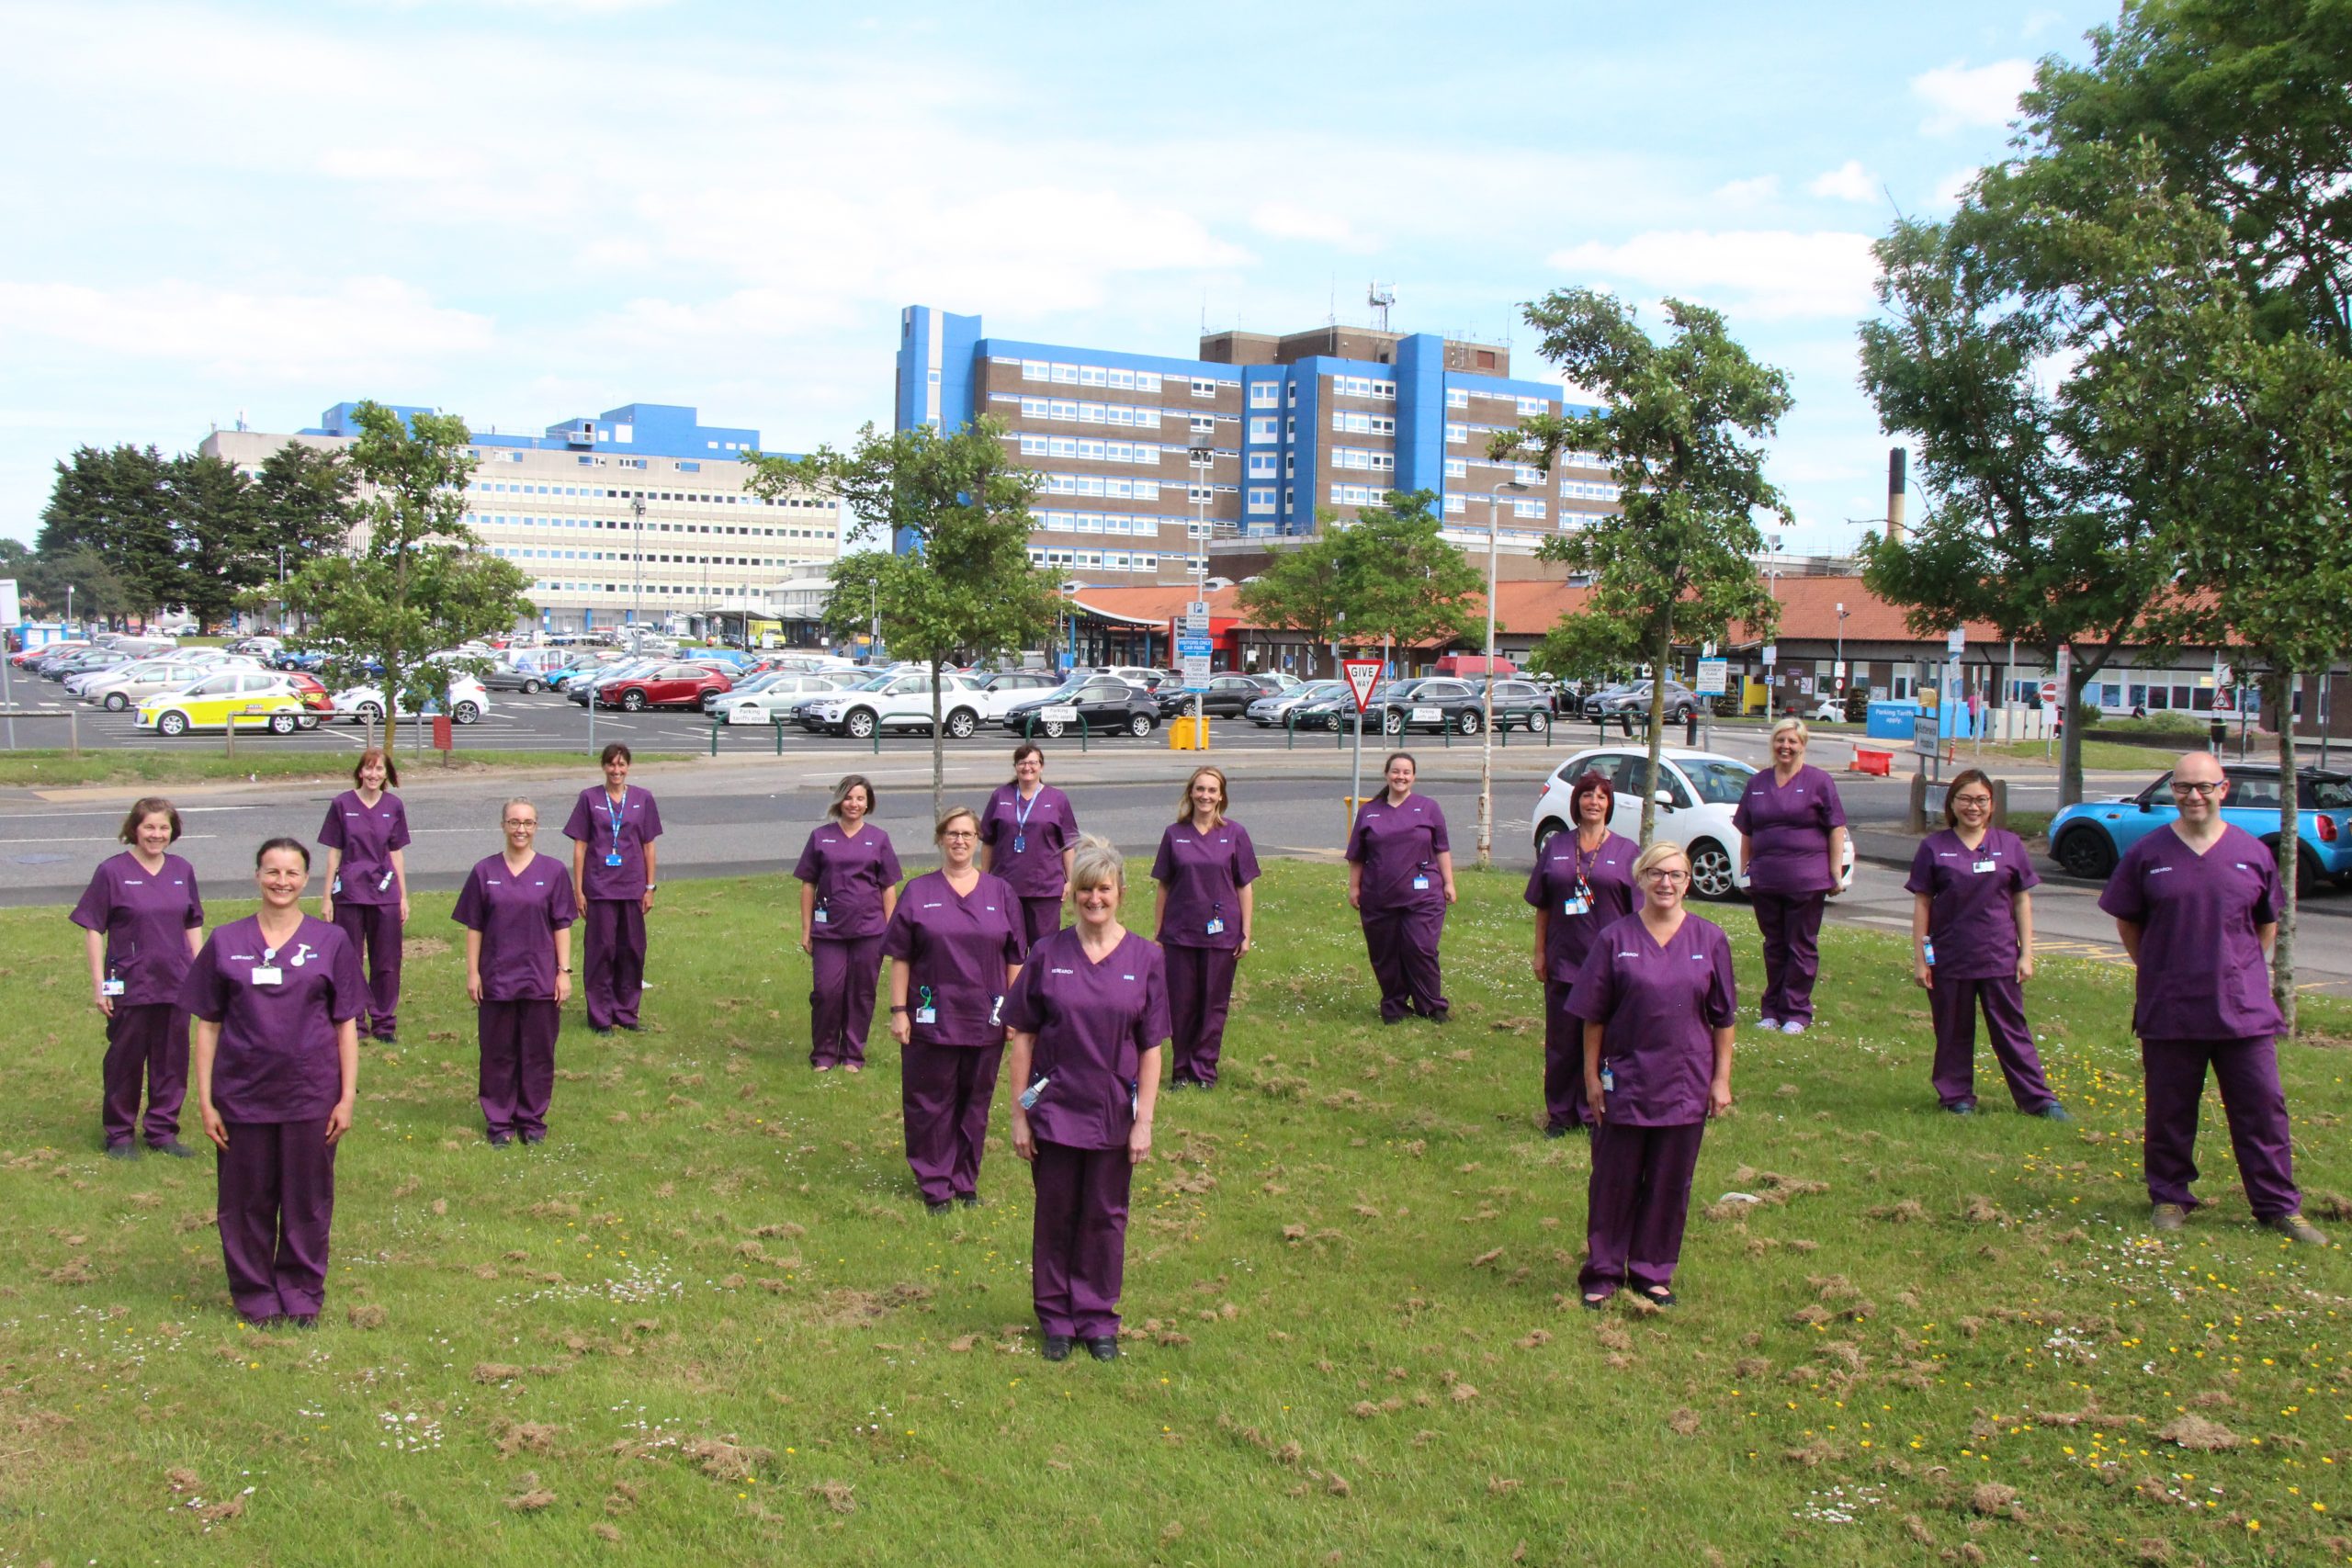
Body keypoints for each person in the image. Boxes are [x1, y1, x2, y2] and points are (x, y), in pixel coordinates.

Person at [2098, 751, 2328, 1244]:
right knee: (2169, 1109)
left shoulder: (2251, 852)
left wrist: (2234, 969)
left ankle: (2277, 1206)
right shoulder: (2148, 854)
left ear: (2223, 789)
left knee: (2262, 1107)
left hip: (2242, 1010)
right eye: (2183, 788)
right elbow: (2128, 922)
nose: (2193, 796)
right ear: (2172, 792)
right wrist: (2162, 969)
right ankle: (2170, 1195)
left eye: (2204, 787)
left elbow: (2264, 926)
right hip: (2171, 1006)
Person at [182, 839, 365, 1326]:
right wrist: (206, 1102)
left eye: (291, 873)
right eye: (272, 871)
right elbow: (209, 1025)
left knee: (307, 1202)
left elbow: (345, 1023)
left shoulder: (331, 942)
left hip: (311, 1097)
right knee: (246, 1203)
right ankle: (256, 1295)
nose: (281, 881)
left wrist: (346, 1097)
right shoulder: (226, 941)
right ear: (257, 875)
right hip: (242, 1098)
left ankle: (302, 1293)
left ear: (306, 879)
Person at [1006, 834, 1170, 1361]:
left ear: (1120, 892)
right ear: (1071, 895)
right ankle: (1055, 1318)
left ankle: (1098, 1319)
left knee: (1105, 1217)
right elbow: (1024, 1038)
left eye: (1103, 889)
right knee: (1055, 1214)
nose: (1094, 899)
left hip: (1111, 1116)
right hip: (1054, 1110)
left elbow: (1150, 1049)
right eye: (1084, 890)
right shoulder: (1046, 953)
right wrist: (1021, 1117)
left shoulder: (1145, 958)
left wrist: (1143, 1120)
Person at [1568, 840, 1737, 1308]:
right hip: (1625, 1079)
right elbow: (1593, 1016)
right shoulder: (1614, 940)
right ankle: (1603, 1272)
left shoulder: (1710, 940)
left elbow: (1723, 1019)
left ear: (1689, 882)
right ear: (1640, 878)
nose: (1666, 883)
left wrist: (1720, 1080)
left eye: (1677, 875)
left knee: (1669, 1182)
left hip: (1685, 1083)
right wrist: (1590, 1078)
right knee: (1614, 1180)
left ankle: (1652, 1271)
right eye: (1657, 874)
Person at [882, 807, 1027, 1213]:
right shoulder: (918, 892)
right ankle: (934, 1184)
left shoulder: (1001, 893)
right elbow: (900, 956)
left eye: (967, 833)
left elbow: (1016, 958)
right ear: (940, 838)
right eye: (952, 833)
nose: (960, 840)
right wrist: (899, 1010)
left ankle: (965, 1181)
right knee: (930, 1101)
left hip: (986, 1018)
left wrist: (1014, 1013)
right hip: (931, 1018)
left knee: (974, 1102)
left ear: (979, 838)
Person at [1905, 770, 2067, 1120]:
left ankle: (2039, 1100)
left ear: (1992, 805)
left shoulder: (2009, 845)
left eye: (1980, 799)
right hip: (1950, 957)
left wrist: (2027, 953)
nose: (1972, 807)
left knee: (2012, 1031)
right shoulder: (1934, 847)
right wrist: (1921, 959)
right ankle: (1956, 1096)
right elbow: (1922, 903)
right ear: (1952, 803)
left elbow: (2021, 900)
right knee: (1952, 1030)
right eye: (1964, 799)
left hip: (1999, 956)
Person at [71, 797, 205, 1159]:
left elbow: (192, 922)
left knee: (171, 1060)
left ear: (172, 831)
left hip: (175, 981)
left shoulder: (182, 870)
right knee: (125, 1059)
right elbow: (93, 928)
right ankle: (119, 1135)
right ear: (134, 829)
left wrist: (198, 972)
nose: (156, 834)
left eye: (163, 828)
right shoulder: (112, 872)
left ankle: (162, 1131)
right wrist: (100, 982)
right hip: (128, 981)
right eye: (149, 827)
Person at [453, 798, 576, 1146]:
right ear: (503, 825)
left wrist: (563, 971)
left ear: (537, 827)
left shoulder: (552, 872)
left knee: (538, 1052)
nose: (521, 829)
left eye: (528, 823)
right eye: (514, 822)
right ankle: (499, 1123)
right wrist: (473, 972)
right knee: (497, 1052)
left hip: (539, 978)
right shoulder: (484, 872)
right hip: (497, 978)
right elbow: (474, 926)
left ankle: (532, 1121)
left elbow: (561, 925)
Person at [1524, 772, 1638, 1135]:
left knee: (1604, 1042)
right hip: (1563, 961)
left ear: (1609, 804)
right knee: (1562, 1042)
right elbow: (1543, 905)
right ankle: (1560, 1113)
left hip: (1608, 965)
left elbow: (1638, 916)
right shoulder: (1557, 846)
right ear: (1576, 803)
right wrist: (1540, 953)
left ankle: (1594, 1112)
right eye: (1587, 795)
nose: (1594, 802)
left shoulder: (1626, 851)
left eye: (1601, 796)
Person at [1733, 718, 1849, 1033]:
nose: (1785, 746)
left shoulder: (1819, 782)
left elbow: (1836, 828)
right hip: (1766, 879)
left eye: (1792, 741)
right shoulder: (1757, 783)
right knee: (1774, 945)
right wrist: (1745, 871)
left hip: (1807, 881)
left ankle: (1796, 1013)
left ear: (1803, 745)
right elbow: (1747, 832)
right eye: (1780, 740)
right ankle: (1770, 1011)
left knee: (1800, 945)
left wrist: (1835, 872)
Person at [1149, 766, 1257, 1089]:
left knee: (1213, 1004)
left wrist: (1247, 932)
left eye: (1212, 790)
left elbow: (1244, 886)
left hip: (1221, 935)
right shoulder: (1174, 834)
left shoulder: (1235, 834)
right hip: (1180, 933)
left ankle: (1204, 1071)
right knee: (1181, 1005)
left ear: (1221, 796)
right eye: (1200, 789)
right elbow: (1164, 887)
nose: (1205, 795)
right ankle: (1181, 1071)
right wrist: (1159, 934)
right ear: (1190, 793)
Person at [795, 775, 902, 1073]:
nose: (854, 804)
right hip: (828, 930)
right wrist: (806, 928)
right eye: (849, 797)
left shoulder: (878, 839)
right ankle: (824, 1053)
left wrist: (891, 930)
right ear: (839, 800)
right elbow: (808, 884)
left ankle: (853, 1054)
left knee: (862, 992)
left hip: (869, 930)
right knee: (827, 991)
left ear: (868, 804)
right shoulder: (821, 837)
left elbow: (888, 887)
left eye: (860, 799)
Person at [1346, 752, 1456, 1023]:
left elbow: (1442, 848)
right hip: (1379, 895)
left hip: (1423, 895)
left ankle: (1431, 1004)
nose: (1401, 777)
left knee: (1421, 947)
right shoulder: (1369, 811)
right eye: (1396, 772)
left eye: (1406, 772)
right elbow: (1357, 855)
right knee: (1385, 954)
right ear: (1386, 774)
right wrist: (1354, 887)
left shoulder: (1428, 808)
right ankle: (1394, 1004)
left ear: (1414, 777)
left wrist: (1449, 882)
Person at [563, 743, 662, 1034]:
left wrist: (650, 887)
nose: (616, 770)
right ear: (604, 767)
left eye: (621, 765)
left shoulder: (642, 799)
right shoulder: (589, 798)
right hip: (600, 888)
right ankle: (600, 1016)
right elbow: (580, 847)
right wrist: (578, 890)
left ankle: (626, 1012)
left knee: (631, 951)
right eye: (611, 765)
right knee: (601, 951)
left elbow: (649, 846)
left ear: (628, 767)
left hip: (632, 887)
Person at [317, 749, 411, 1044]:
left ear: (386, 774)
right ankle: (354, 1022)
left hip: (385, 894)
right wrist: (326, 897)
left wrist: (404, 897)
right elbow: (334, 853)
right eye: (369, 769)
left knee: (387, 960)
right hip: (349, 893)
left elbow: (396, 853)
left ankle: (384, 1023)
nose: (373, 775)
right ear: (360, 771)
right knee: (350, 959)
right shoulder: (342, 804)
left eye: (379, 770)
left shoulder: (393, 806)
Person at [980, 744, 1077, 946]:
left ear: (1041, 767)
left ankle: (1041, 979)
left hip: (1045, 888)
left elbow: (1068, 844)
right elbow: (988, 841)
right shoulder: (1000, 796)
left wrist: (1071, 880)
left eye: (1033, 762)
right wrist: (985, 877)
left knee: (1044, 947)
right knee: (1009, 946)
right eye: (1022, 763)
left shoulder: (1057, 799)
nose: (1027, 767)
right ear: (1015, 767)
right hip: (1006, 885)